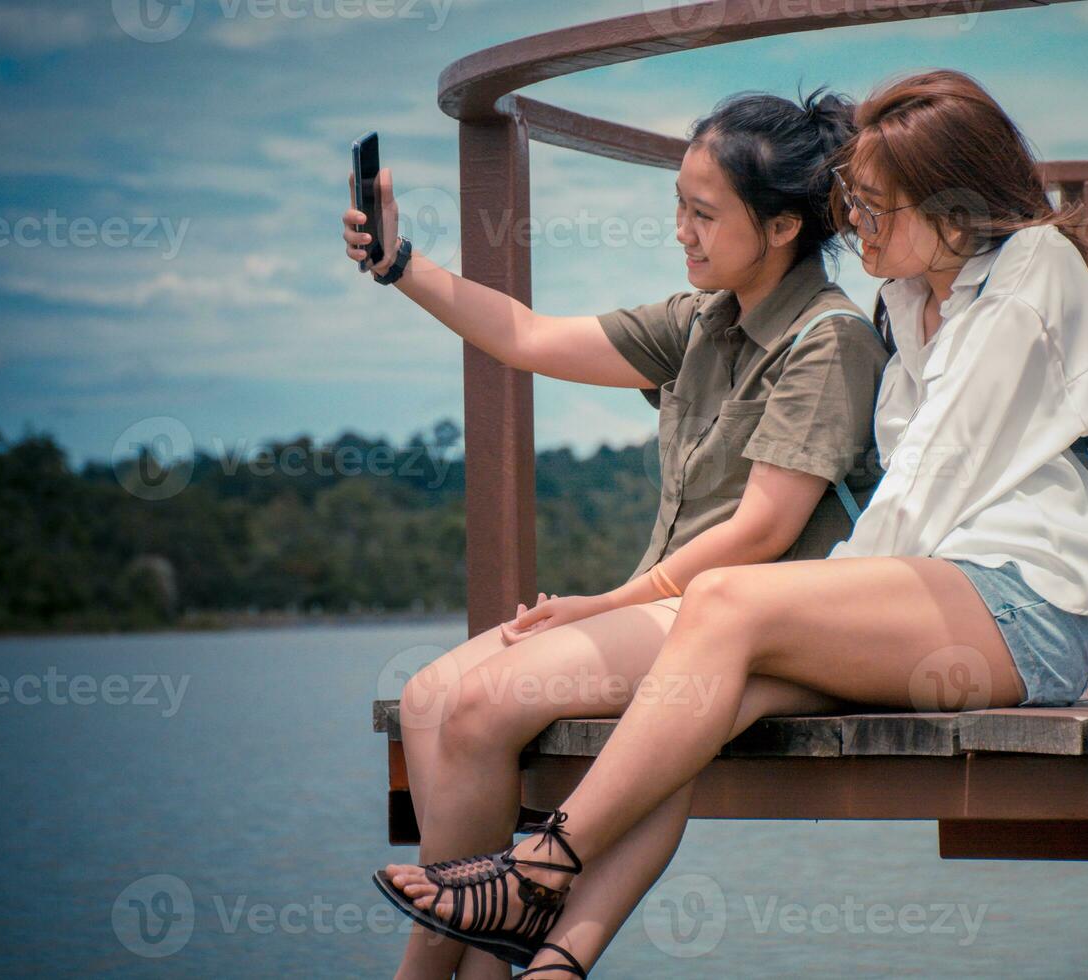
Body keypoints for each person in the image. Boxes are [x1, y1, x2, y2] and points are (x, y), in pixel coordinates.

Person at [373, 68, 1088, 978]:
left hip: (1026, 606)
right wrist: (403, 264)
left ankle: (535, 874)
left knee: (726, 610)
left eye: (874, 207)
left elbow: (917, 497)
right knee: (713, 690)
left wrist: (776, 602)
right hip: (950, 590)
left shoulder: (1021, 286)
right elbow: (528, 335)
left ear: (951, 212)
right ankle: (559, 954)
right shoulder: (913, 299)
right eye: (853, 202)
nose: (855, 224)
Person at [344, 88, 891, 978]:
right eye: (680, 204)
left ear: (784, 226)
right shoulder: (704, 322)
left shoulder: (827, 342)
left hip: (755, 625)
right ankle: (488, 950)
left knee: (481, 707)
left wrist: (604, 601)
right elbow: (526, 335)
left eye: (704, 213)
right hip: (669, 607)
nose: (681, 229)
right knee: (427, 700)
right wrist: (400, 261)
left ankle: (437, 964)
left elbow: (763, 531)